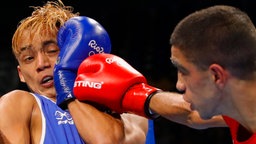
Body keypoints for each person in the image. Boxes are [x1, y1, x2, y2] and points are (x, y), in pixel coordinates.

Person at [69, 5, 256, 144]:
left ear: (216, 76)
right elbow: (190, 114)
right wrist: (135, 94)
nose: (179, 85)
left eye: (183, 71)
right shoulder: (238, 106)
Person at [0, 0, 151, 143]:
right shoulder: (17, 104)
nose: (41, 64)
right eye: (28, 58)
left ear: (77, 51)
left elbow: (112, 141)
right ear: (21, 74)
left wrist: (67, 84)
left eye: (52, 51)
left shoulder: (124, 109)